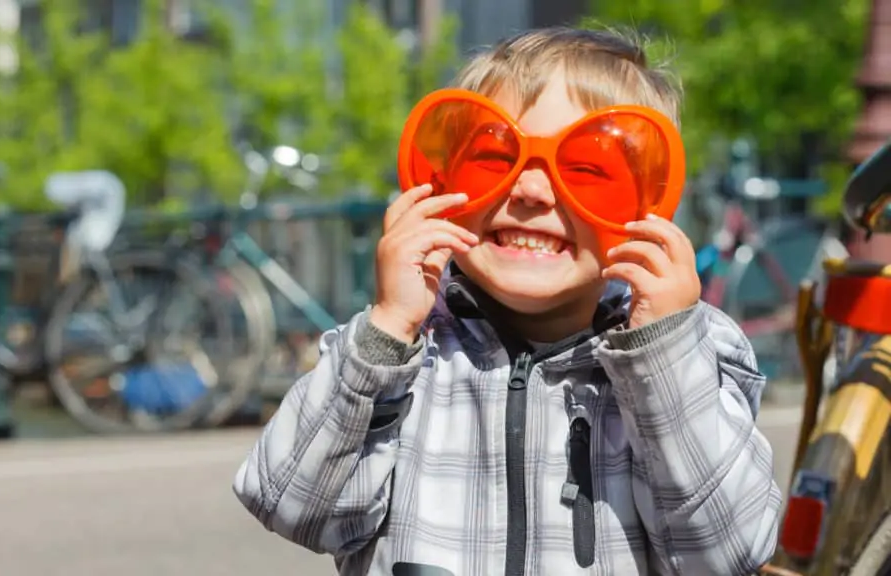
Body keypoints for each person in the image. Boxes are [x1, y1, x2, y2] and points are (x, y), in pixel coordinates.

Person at [233, 26, 781, 576]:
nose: (531, 191)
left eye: (589, 170)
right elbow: (289, 504)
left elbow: (728, 550)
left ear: (647, 204)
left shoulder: (688, 354)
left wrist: (660, 357)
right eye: (495, 159)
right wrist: (388, 328)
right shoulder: (402, 353)